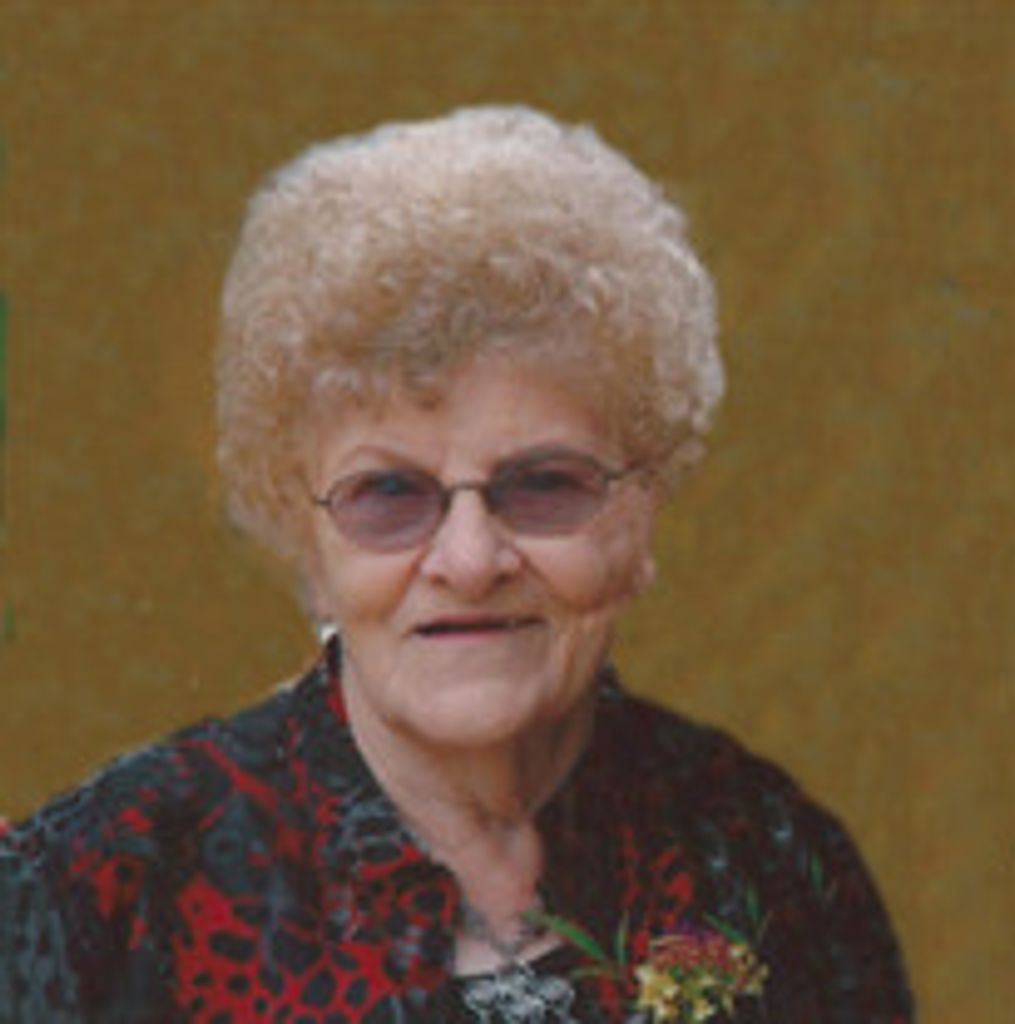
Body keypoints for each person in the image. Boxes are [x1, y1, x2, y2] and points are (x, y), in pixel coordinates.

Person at [0, 105, 913, 1023]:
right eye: (389, 494)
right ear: (303, 537)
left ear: (642, 513)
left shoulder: (770, 858)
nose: (470, 561)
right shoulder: (99, 900)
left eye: (544, 485)